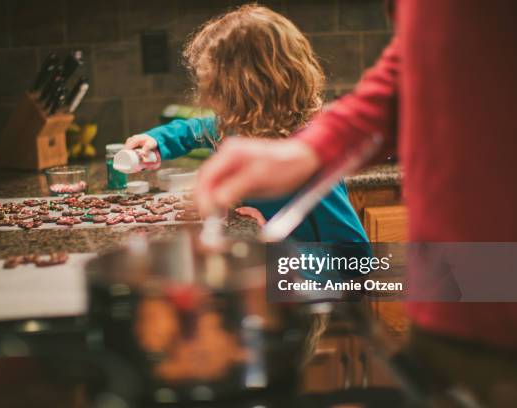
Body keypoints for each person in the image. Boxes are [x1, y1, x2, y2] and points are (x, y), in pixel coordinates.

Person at [195, 0, 517, 350]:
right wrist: (316, 150)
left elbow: (359, 264)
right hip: (464, 311)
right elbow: (414, 69)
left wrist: (278, 263)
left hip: (491, 301)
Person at [125, 5, 368, 246]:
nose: (208, 98)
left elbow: (353, 258)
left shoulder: (310, 163)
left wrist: (271, 247)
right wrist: (159, 140)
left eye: (215, 89)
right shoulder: (237, 127)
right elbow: (197, 129)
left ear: (249, 95)